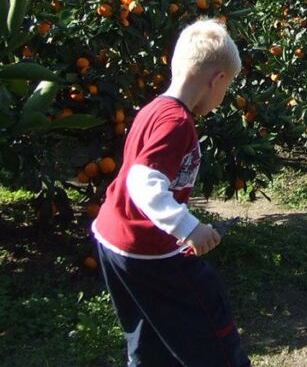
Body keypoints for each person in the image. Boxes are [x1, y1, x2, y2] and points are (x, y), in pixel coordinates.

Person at [93, 19, 250, 366]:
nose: (222, 98)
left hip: (113, 242)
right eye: (227, 87)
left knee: (148, 340)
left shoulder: (154, 109)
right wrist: (188, 227)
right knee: (212, 326)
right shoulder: (176, 122)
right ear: (217, 80)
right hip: (150, 251)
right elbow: (143, 181)